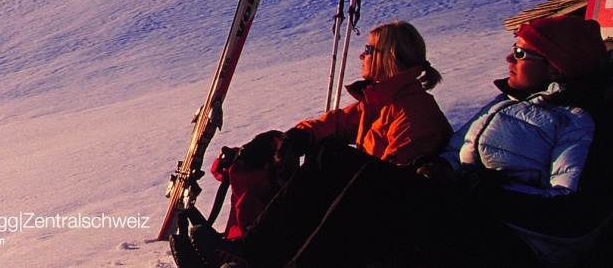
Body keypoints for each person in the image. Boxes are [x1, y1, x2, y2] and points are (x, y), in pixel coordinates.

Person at [194, 15, 613, 268]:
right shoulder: (504, 105)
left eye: (523, 53)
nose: (510, 57)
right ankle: (252, 254)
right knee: (330, 158)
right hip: (463, 210)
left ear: (557, 65)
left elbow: (573, 215)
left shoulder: (580, 122)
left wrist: (485, 192)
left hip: (507, 241)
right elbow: (446, 151)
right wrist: (443, 169)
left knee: (368, 184)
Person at [177, 20, 454, 267]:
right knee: (319, 152)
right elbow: (334, 124)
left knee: (329, 160)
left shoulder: (414, 112)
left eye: (368, 50)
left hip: (393, 222)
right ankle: (246, 251)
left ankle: (251, 252)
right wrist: (296, 137)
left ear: (389, 57)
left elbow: (385, 182)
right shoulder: (382, 103)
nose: (361, 55)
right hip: (373, 204)